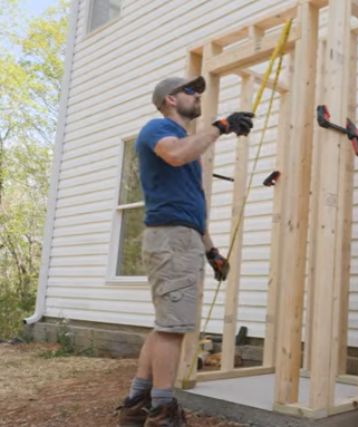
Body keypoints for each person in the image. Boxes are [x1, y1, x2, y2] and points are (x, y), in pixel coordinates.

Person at [116, 76, 254, 427]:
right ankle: (162, 410)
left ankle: (138, 400)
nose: (197, 96)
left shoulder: (187, 143)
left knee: (165, 325)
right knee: (173, 328)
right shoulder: (156, 129)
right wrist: (220, 127)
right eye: (191, 91)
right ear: (170, 100)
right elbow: (175, 155)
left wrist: (212, 252)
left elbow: (189, 208)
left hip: (183, 238)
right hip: (171, 241)